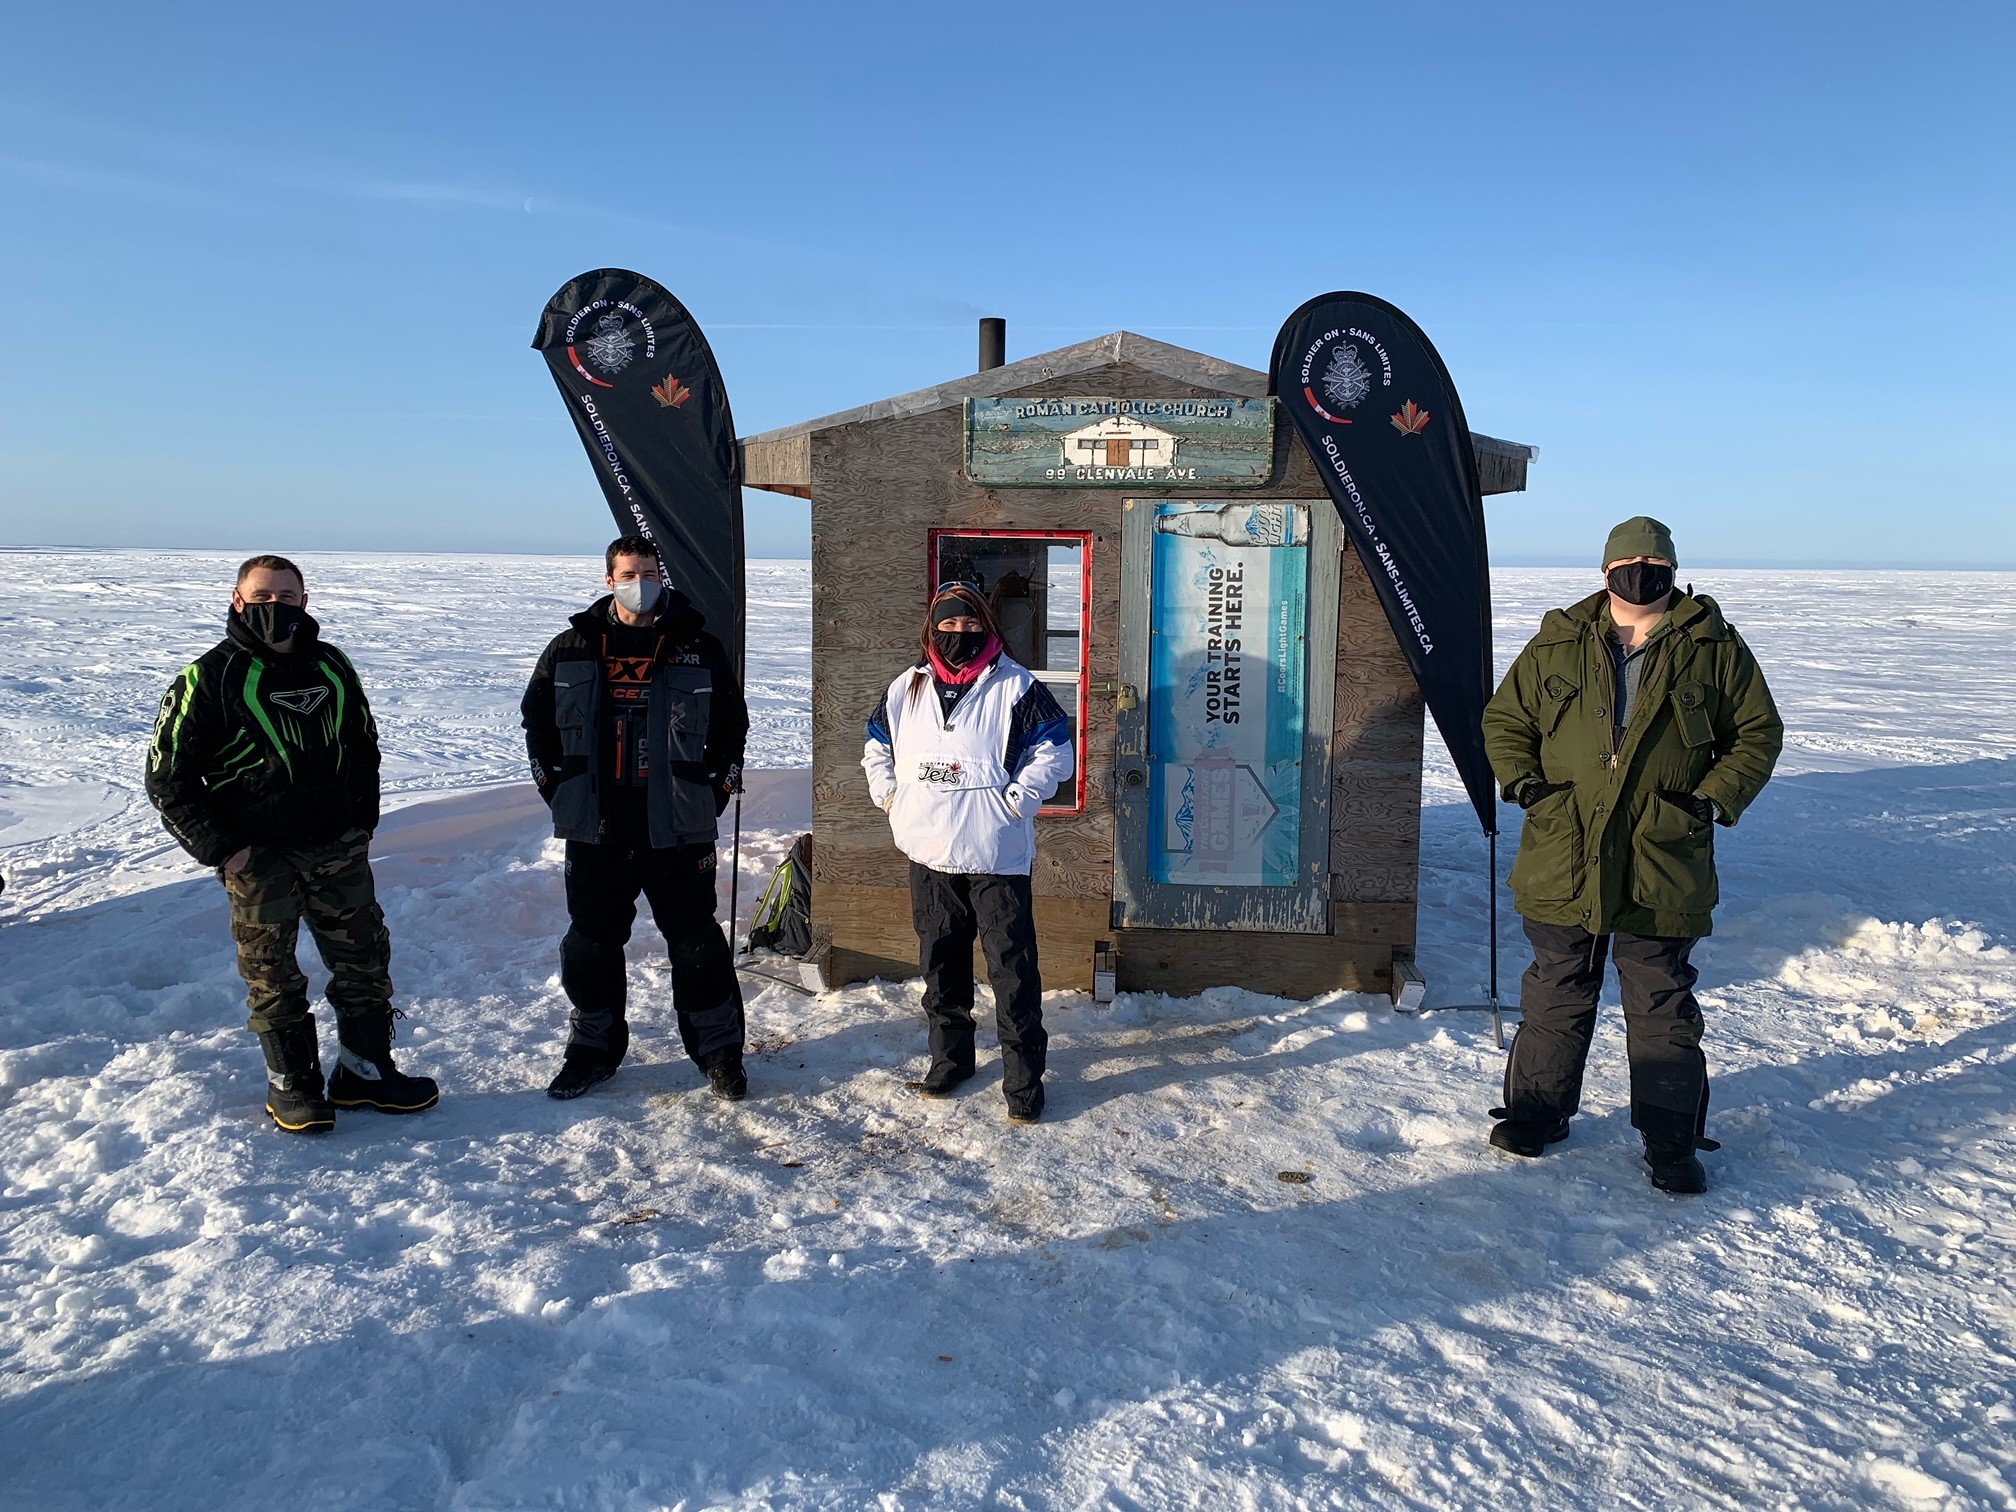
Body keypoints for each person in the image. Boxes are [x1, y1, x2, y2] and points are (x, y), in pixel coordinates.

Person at [1482, 517, 1782, 1193]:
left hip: (1662, 852)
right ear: (1606, 570)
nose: (1640, 571)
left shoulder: (1713, 646)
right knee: (1557, 985)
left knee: (1659, 999)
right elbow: (1506, 720)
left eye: (1654, 561)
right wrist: (1528, 785)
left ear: (1672, 569)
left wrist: (1708, 801)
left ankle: (1671, 1139)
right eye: (1629, 561)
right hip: (1566, 846)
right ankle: (1536, 1113)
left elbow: (1757, 734)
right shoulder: (1559, 642)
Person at [145, 555, 437, 1134]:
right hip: (258, 858)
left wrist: (361, 823)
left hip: (337, 849)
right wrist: (225, 850)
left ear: (305, 601)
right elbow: (167, 778)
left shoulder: (331, 665)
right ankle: (293, 1086)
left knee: (363, 960)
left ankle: (364, 1071)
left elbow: (363, 747)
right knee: (272, 974)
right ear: (238, 600)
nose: (275, 606)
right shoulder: (209, 679)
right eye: (262, 596)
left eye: (286, 595)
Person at [522, 536, 749, 1101]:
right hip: (597, 827)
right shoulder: (571, 648)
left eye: (648, 572)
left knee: (697, 943)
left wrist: (714, 793)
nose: (639, 582)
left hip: (676, 826)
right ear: (609, 579)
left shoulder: (699, 647)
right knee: (590, 945)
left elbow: (731, 729)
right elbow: (537, 724)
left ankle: (718, 1052)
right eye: (629, 573)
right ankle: (592, 1050)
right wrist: (558, 791)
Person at [862, 581, 1075, 1123]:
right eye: (949, 625)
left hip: (994, 852)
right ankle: (950, 1059)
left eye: (969, 623)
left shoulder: (1015, 686)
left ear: (987, 624)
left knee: (1011, 968)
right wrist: (889, 795)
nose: (959, 633)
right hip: (928, 849)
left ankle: (1024, 1081)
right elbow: (876, 746)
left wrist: (1019, 800)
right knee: (941, 961)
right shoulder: (905, 688)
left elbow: (1054, 749)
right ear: (933, 629)